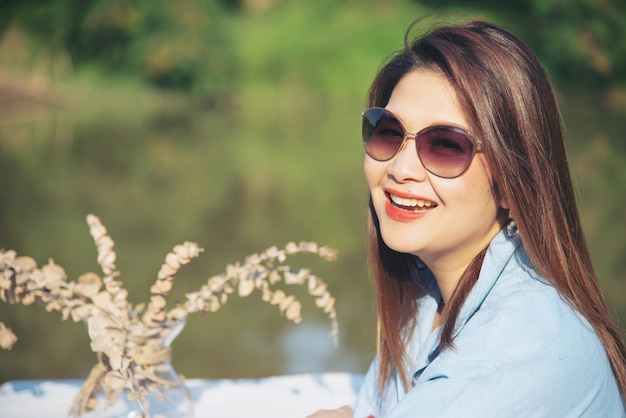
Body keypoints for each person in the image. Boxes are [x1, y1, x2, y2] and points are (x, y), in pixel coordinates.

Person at [308, 18, 626, 417]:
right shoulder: (427, 293)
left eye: (445, 145)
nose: (401, 168)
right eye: (388, 131)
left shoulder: (519, 346)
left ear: (514, 183)